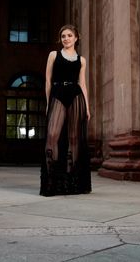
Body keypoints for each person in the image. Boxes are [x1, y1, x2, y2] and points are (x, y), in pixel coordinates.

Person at [40, 24, 92, 196]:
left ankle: (72, 182)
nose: (66, 39)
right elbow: (48, 81)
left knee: (74, 138)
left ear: (76, 38)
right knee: (52, 135)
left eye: (69, 35)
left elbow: (82, 84)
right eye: (63, 36)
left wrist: (88, 107)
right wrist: (48, 103)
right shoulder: (53, 55)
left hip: (76, 96)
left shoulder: (81, 60)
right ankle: (51, 182)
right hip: (58, 94)